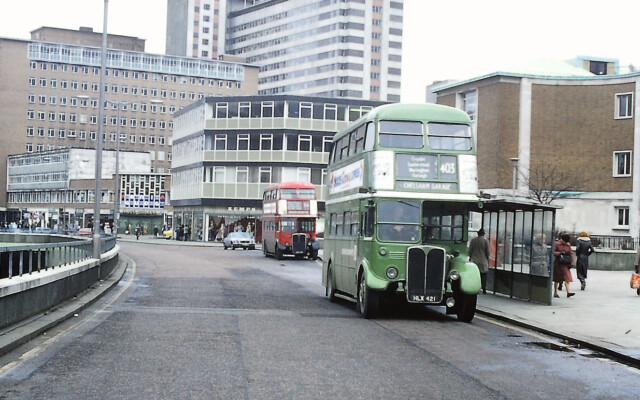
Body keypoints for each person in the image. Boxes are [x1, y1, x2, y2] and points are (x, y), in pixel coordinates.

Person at [468, 228, 491, 294]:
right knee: (483, 276)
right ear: (483, 234)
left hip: (474, 260)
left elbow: (469, 251)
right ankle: (484, 289)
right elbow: (488, 252)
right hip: (483, 261)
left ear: (478, 233)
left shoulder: (473, 240)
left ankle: (475, 289)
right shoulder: (486, 241)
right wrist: (487, 258)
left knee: (475, 276)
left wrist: (470, 257)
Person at [553, 233, 575, 298]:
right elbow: (553, 252)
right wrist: (559, 253)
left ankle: (568, 292)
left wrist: (572, 262)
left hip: (565, 263)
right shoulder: (556, 244)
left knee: (567, 277)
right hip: (558, 263)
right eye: (565, 241)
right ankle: (555, 292)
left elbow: (571, 253)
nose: (566, 243)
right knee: (557, 278)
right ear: (562, 240)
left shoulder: (568, 245)